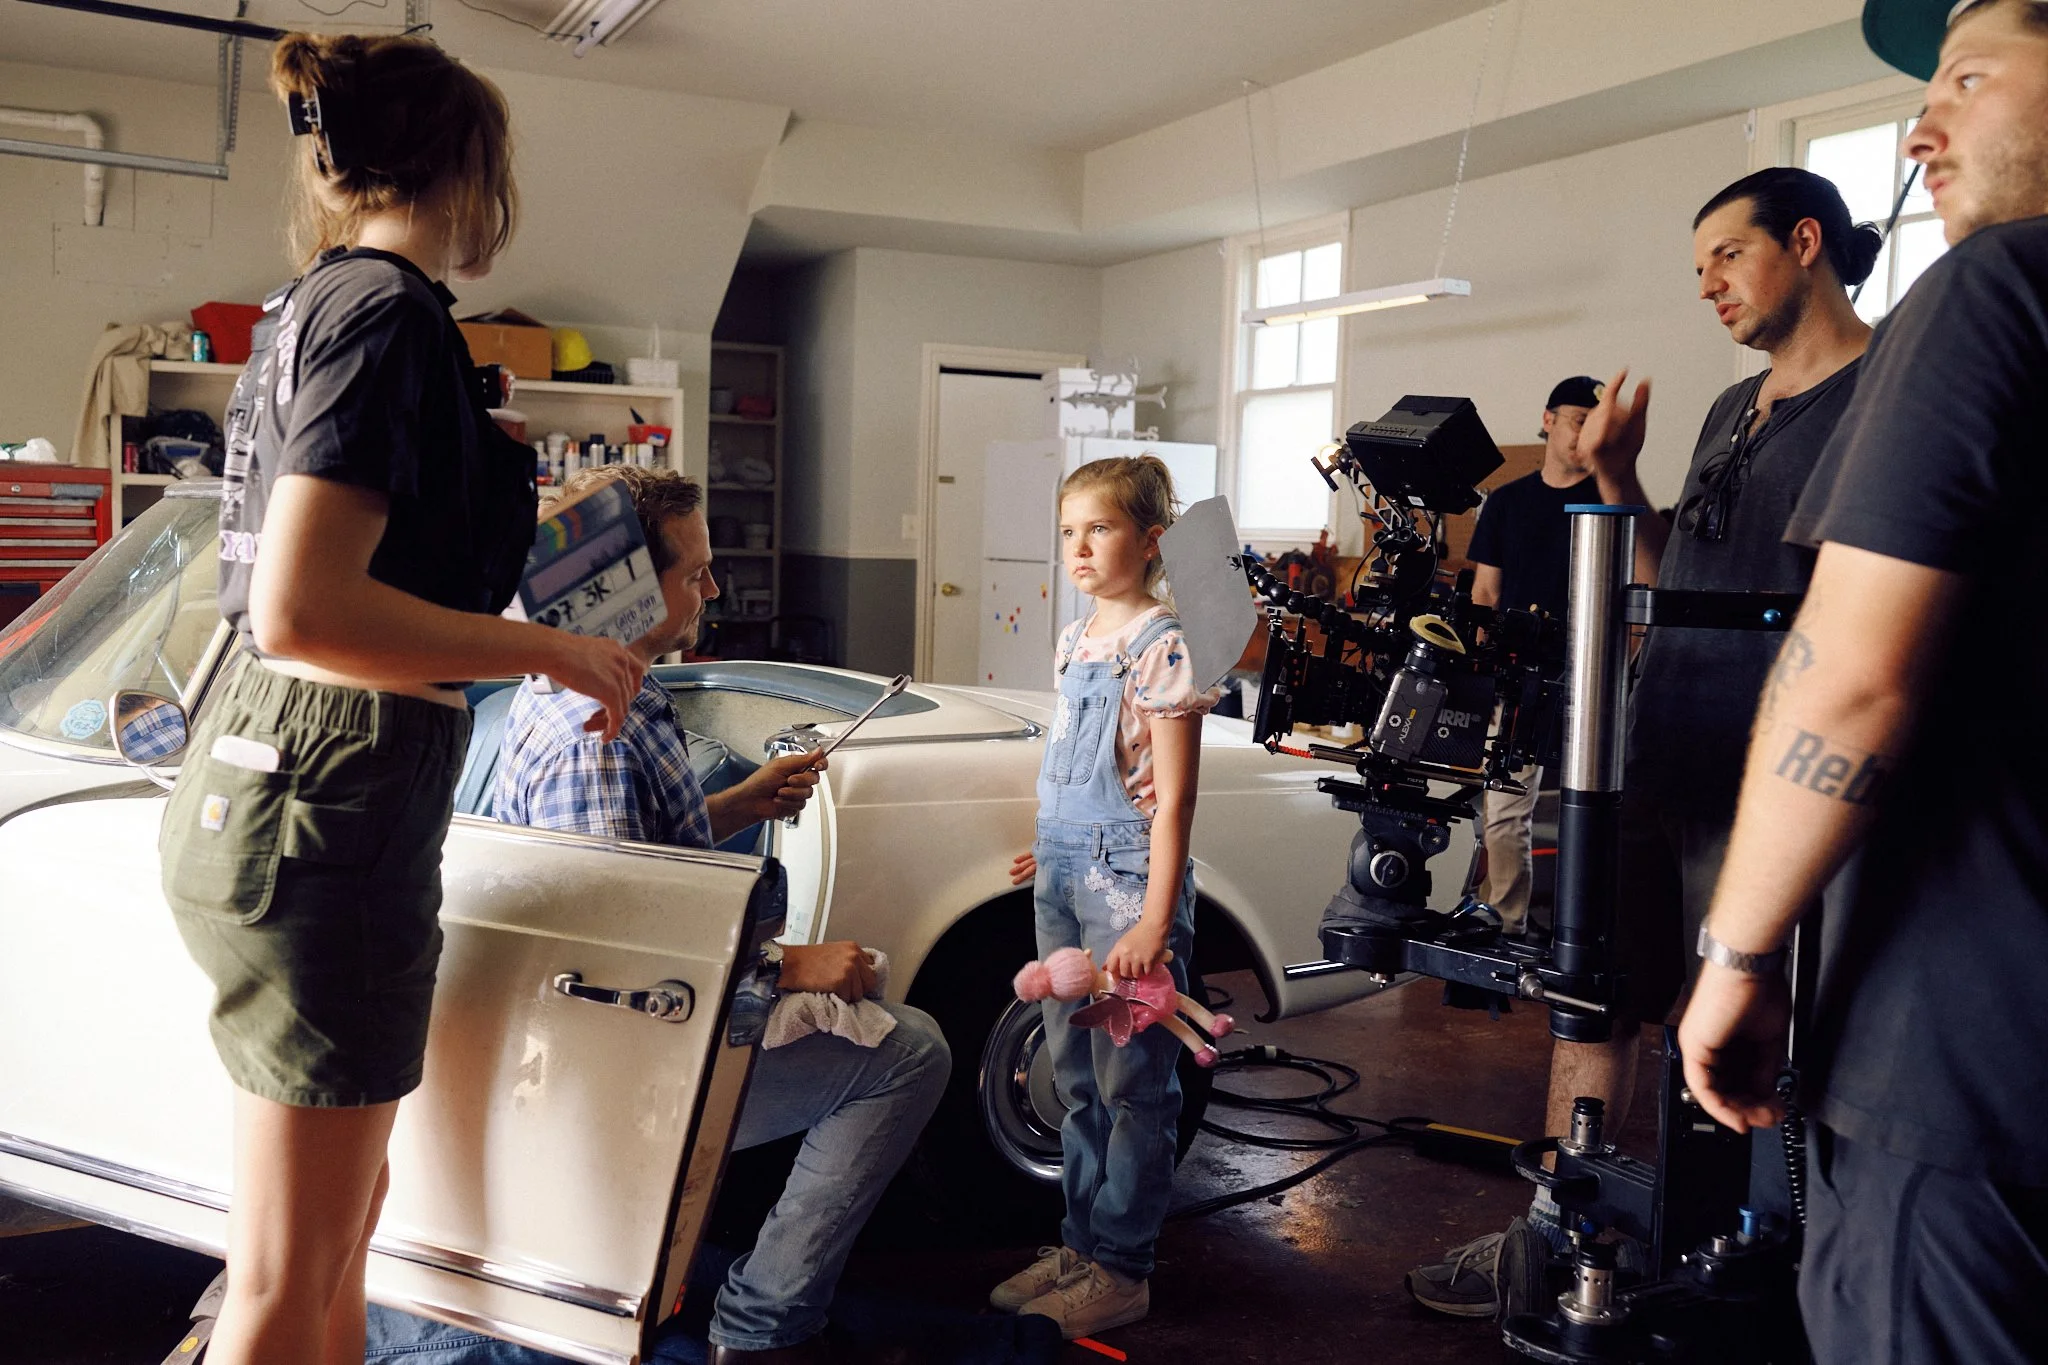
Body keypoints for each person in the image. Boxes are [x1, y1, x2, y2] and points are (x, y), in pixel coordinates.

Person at [155, 34, 643, 1365]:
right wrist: (552, 653)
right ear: (466, 168)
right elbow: (305, 610)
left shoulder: (312, 302)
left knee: (339, 1226)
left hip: (291, 782)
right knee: (284, 1269)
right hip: (330, 795)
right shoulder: (386, 313)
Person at [1408, 165, 1879, 1320]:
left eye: (1726, 254)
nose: (1708, 284)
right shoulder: (1732, 409)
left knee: (1750, 1033)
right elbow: (1679, 574)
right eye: (1698, 268)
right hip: (1651, 752)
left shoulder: (1882, 400)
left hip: (1771, 785)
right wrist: (1615, 479)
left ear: (1804, 240)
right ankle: (1555, 1234)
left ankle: (1760, 1267)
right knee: (1593, 994)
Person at [1679, 2, 2048, 1358]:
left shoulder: (1995, 289)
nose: (1923, 123)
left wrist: (1738, 950)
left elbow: (1852, 677)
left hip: (1965, 1074)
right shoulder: (1732, 411)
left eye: (1968, 73)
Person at [481, 465, 950, 1365]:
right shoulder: (601, 733)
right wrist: (790, 969)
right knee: (911, 1052)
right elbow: (620, 972)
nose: (713, 587)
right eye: (694, 571)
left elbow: (643, 861)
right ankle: (762, 1327)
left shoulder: (597, 688)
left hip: (605, 1044)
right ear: (620, 586)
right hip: (621, 1081)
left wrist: (741, 801)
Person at [989, 456, 1220, 1340]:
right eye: (1069, 532)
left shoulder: (1165, 642)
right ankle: (1079, 1245)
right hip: (1064, 869)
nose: (1079, 548)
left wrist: (1155, 920)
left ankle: (1122, 1267)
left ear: (1152, 538)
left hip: (1127, 883)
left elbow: (1173, 798)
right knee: (1074, 1077)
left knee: (1133, 1086)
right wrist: (1049, 840)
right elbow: (1085, 763)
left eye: (1101, 528)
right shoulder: (1074, 637)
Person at [1465, 375, 1604, 936]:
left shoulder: (1610, 503)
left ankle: (1587, 933)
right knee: (1504, 814)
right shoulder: (1507, 503)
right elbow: (1485, 595)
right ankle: (1506, 925)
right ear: (1548, 419)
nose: (1585, 431)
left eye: (1596, 422)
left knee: (1595, 813)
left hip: (1592, 680)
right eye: (1577, 418)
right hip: (1521, 681)